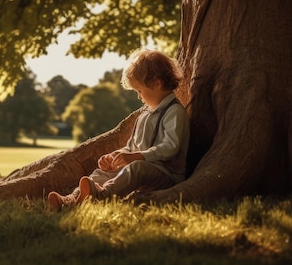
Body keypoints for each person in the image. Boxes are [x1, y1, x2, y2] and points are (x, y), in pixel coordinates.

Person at [47, 49, 190, 211]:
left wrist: (138, 156)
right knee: (101, 173)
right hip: (139, 168)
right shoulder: (145, 114)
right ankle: (71, 199)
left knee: (135, 168)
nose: (138, 96)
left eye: (140, 91)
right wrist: (115, 157)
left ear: (157, 83)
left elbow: (170, 147)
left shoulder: (174, 112)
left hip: (166, 174)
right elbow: (131, 147)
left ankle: (100, 197)